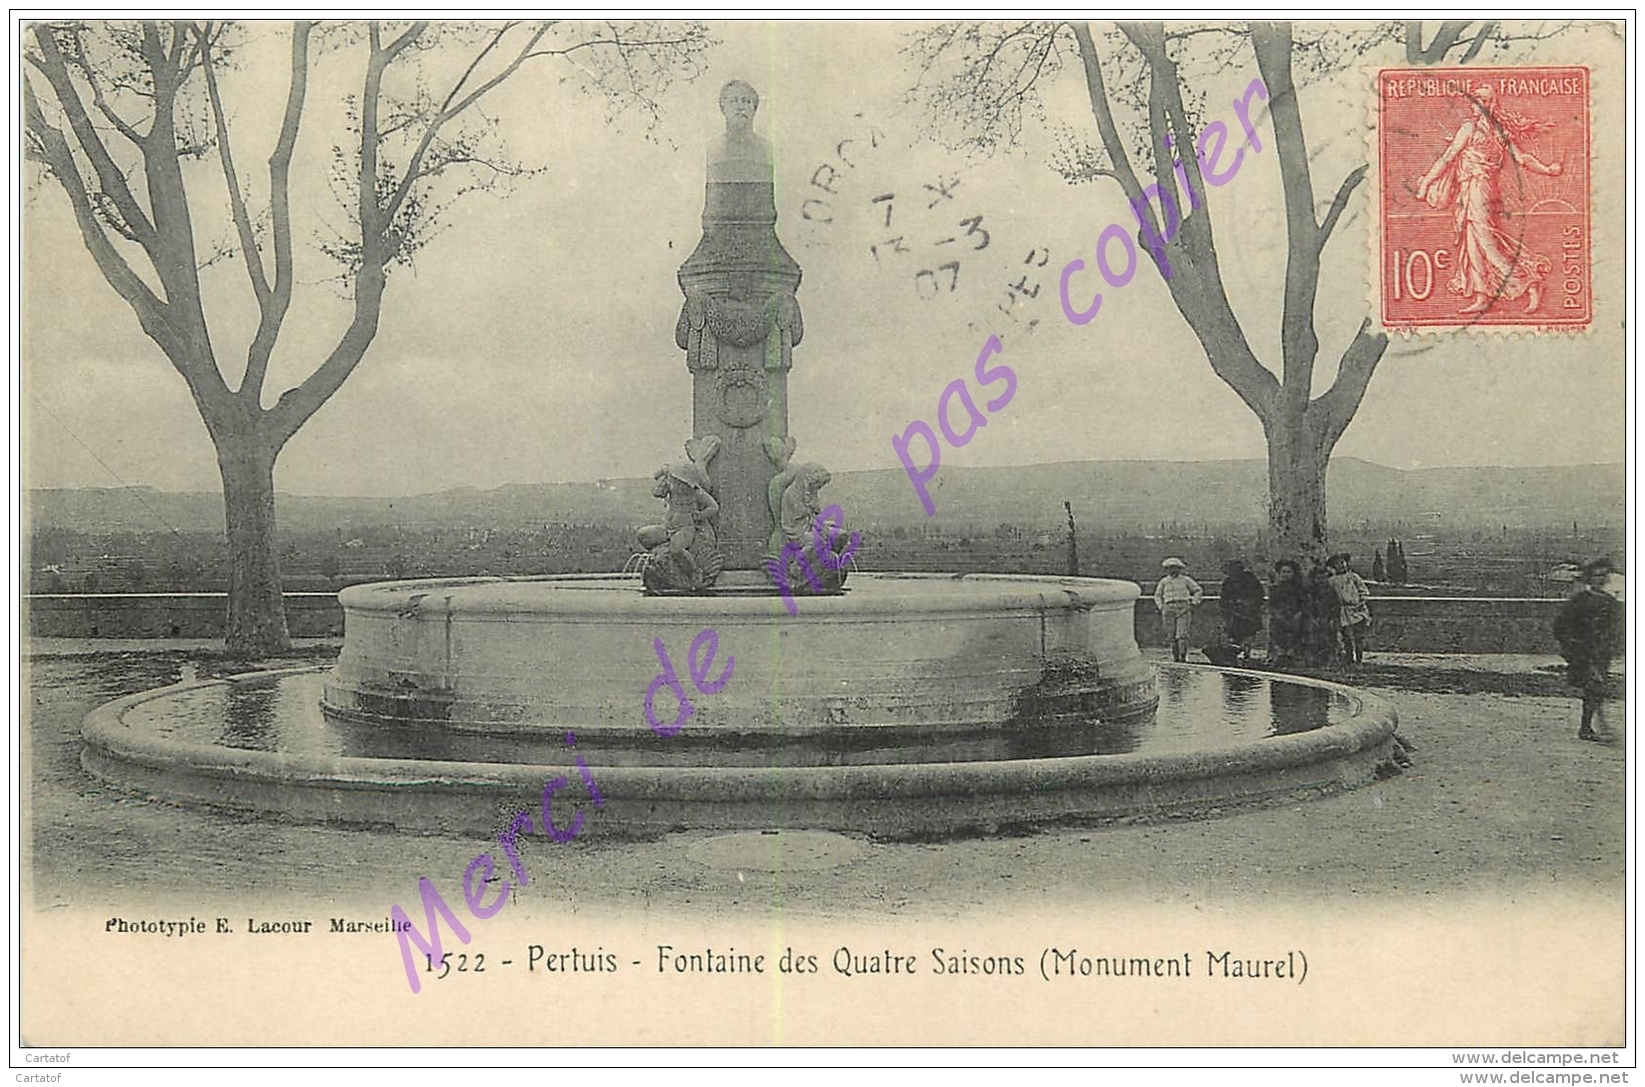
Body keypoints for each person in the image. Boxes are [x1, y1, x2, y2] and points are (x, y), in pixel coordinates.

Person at [1414, 85, 1562, 315]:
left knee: (1486, 241)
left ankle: (1529, 282)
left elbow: (1521, 158)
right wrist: (1426, 183)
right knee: (1472, 242)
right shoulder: (1473, 128)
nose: (1475, 105)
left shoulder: (1492, 131)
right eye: (1474, 101)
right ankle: (1483, 295)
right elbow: (1447, 158)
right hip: (1470, 190)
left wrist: (1547, 169)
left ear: (1489, 103)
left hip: (1481, 190)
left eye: (1479, 101)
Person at [1553, 557, 1624, 742]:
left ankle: (1590, 726)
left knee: (1595, 688)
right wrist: (1570, 645)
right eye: (1597, 575)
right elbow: (1561, 625)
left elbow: (1618, 627)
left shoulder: (1610, 601)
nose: (1601, 579)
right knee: (1595, 685)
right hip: (1583, 651)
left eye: (1604, 575)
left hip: (1602, 651)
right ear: (1590, 578)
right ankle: (1594, 726)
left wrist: (1615, 645)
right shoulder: (1580, 600)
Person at [1153, 557, 1203, 663]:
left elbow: (1198, 590)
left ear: (1180, 569)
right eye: (1170, 568)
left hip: (1183, 607)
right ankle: (1175, 658)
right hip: (1168, 608)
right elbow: (1157, 595)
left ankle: (1183, 657)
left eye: (1175, 568)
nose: (1173, 570)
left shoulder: (1186, 580)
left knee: (1182, 634)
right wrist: (1161, 607)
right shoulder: (1164, 581)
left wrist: (1194, 602)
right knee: (1171, 635)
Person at [1218, 559, 1266, 663]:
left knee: (1248, 634)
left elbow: (1259, 595)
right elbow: (1223, 599)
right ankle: (1234, 655)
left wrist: (1248, 604)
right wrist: (1229, 609)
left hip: (1249, 613)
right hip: (1234, 614)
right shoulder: (1227, 583)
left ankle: (1246, 655)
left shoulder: (1251, 580)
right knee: (1235, 636)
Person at [1329, 553, 1372, 666]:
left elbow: (1364, 591)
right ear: (1333, 566)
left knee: (1359, 637)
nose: (1342, 565)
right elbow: (1331, 596)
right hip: (1343, 611)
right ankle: (1349, 659)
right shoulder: (1332, 581)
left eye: (1343, 562)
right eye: (1338, 563)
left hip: (1357, 610)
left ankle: (1359, 660)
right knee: (1347, 637)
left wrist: (1361, 602)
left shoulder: (1354, 577)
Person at [1267, 559, 1307, 668]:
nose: (1286, 575)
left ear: (1294, 574)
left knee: (1296, 634)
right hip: (1279, 618)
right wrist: (1278, 615)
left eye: (1289, 572)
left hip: (1296, 617)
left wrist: (1298, 614)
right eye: (1283, 572)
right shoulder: (1274, 588)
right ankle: (1279, 655)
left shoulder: (1299, 588)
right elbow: (1272, 605)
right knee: (1277, 634)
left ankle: (1292, 655)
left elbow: (1304, 603)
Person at [1305, 557, 1341, 666]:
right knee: (1313, 641)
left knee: (1330, 640)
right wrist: (1311, 618)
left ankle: (1330, 661)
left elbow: (1335, 606)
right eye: (1318, 578)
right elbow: (1307, 607)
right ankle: (1314, 660)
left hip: (1327, 619)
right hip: (1314, 619)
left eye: (1324, 578)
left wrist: (1333, 619)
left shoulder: (1331, 591)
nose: (1321, 581)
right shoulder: (1310, 592)